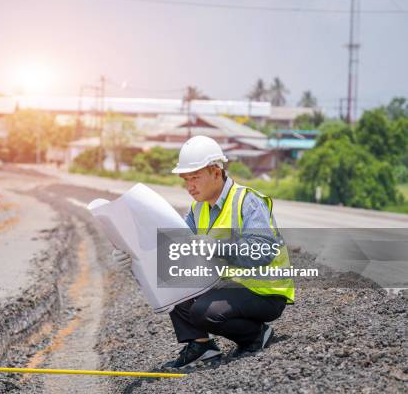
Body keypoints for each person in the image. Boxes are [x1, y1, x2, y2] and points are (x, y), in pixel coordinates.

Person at [111, 135, 294, 369]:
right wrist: (132, 258)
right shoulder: (198, 209)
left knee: (204, 312)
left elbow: (262, 252)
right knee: (169, 274)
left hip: (265, 292)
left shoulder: (247, 202)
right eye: (186, 180)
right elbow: (174, 252)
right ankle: (201, 346)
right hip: (229, 286)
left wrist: (215, 247)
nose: (190, 186)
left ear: (216, 172)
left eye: (195, 178)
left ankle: (256, 336)